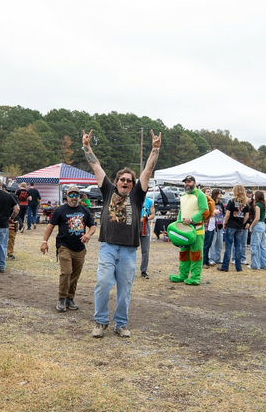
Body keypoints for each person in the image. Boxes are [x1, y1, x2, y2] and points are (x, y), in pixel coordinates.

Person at [82, 128, 161, 338]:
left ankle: (120, 324)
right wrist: (86, 147)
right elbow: (96, 166)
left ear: (133, 185)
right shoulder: (107, 190)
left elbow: (147, 172)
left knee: (125, 289)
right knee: (103, 284)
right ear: (116, 181)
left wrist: (154, 150)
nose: (125, 182)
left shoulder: (137, 196)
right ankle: (100, 322)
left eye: (129, 180)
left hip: (128, 250)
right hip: (108, 247)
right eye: (122, 179)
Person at [41, 185, 97, 312]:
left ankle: (70, 298)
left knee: (75, 275)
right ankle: (61, 298)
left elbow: (92, 226)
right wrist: (44, 241)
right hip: (64, 246)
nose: (73, 197)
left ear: (79, 196)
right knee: (66, 272)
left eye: (76, 194)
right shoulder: (60, 210)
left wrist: (88, 234)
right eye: (71, 195)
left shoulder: (84, 210)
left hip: (80, 248)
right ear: (66, 196)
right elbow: (50, 226)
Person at [169, 175, 209, 285]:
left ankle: (195, 277)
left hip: (197, 230)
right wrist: (178, 224)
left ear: (194, 183)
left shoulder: (200, 195)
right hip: (184, 231)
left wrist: (191, 219)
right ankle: (183, 274)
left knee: (196, 253)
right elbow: (182, 212)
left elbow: (205, 211)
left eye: (189, 182)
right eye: (185, 182)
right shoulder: (183, 196)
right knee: (183, 253)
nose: (187, 184)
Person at [219, 184, 250, 272]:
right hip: (239, 227)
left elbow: (228, 214)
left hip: (231, 225)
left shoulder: (232, 201)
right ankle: (238, 267)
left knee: (228, 246)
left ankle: (225, 266)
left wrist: (225, 223)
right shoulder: (245, 203)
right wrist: (242, 223)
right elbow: (247, 216)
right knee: (238, 246)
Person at [248, 190, 266, 270]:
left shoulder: (257, 205)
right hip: (262, 225)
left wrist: (251, 226)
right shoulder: (263, 205)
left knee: (255, 245)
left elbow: (257, 217)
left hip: (257, 226)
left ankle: (255, 265)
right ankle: (265, 265)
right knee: (262, 246)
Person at [203, 188, 222, 267]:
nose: (209, 193)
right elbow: (206, 212)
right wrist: (213, 212)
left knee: (209, 244)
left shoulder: (211, 202)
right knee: (205, 245)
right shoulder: (203, 202)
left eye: (210, 192)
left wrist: (214, 212)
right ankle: (203, 262)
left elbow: (218, 210)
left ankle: (206, 260)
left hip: (212, 226)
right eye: (207, 192)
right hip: (206, 226)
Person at [208, 189, 225, 265]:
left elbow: (223, 214)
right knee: (213, 243)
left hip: (220, 224)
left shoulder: (221, 204)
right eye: (219, 194)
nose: (220, 195)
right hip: (213, 225)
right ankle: (211, 258)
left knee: (219, 243)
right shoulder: (211, 203)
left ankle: (218, 258)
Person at [7, 187, 20, 260]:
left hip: (7, 219)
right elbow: (17, 208)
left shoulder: (8, 196)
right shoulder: (14, 197)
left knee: (3, 238)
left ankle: (2, 252)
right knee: (11, 238)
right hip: (13, 220)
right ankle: (10, 253)